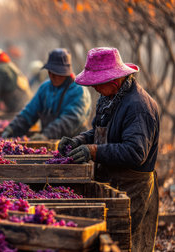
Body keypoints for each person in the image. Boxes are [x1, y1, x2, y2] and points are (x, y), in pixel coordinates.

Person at [59, 47, 159, 251]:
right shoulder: (109, 97)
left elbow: (135, 152)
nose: (94, 88)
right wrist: (79, 140)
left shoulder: (138, 107)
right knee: (108, 240)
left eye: (97, 84)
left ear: (113, 81)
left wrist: (94, 151)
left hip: (132, 188)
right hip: (110, 182)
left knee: (127, 242)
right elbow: (99, 130)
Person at [2, 48, 91, 140]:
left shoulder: (78, 90)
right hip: (49, 142)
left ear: (66, 73)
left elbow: (71, 119)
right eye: (50, 72)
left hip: (74, 143)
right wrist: (12, 128)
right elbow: (30, 111)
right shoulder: (45, 87)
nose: (52, 76)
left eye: (57, 73)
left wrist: (47, 135)